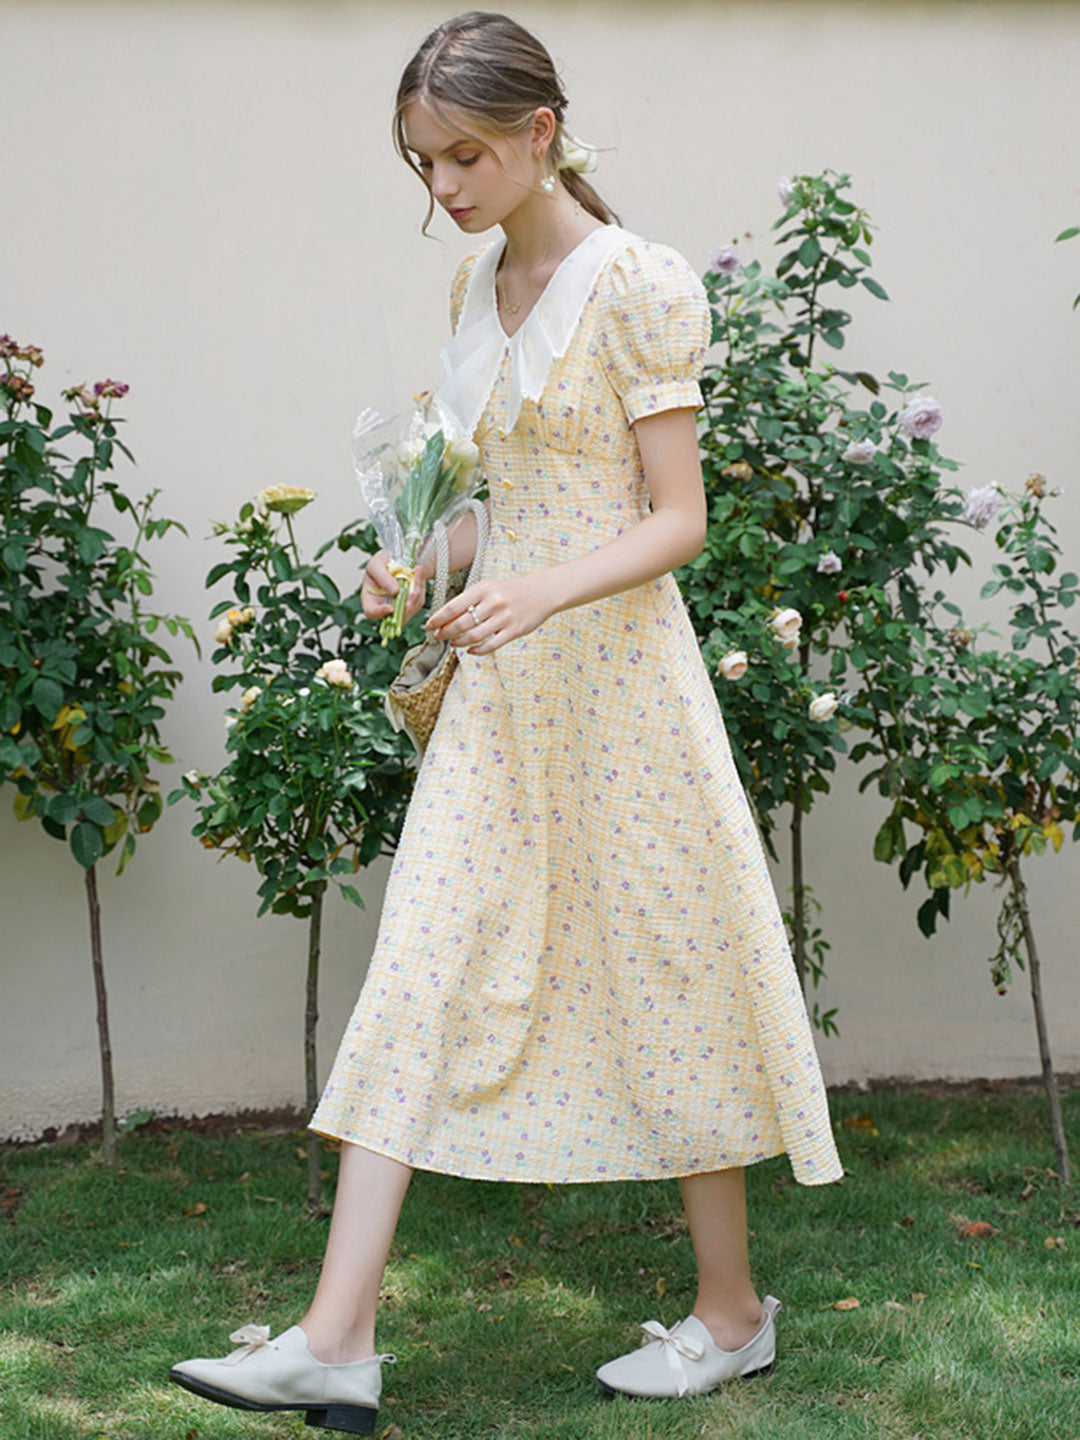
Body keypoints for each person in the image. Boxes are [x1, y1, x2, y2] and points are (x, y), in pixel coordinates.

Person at [169, 10, 843, 1434]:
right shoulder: (475, 285)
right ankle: (336, 1340)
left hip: (626, 691)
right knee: (418, 968)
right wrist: (426, 561)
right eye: (423, 162)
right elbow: (496, 505)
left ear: (541, 132)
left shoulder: (639, 283)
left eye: (465, 156)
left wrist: (538, 588)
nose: (444, 186)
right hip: (504, 697)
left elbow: (676, 519)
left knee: (666, 972)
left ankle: (732, 1316)